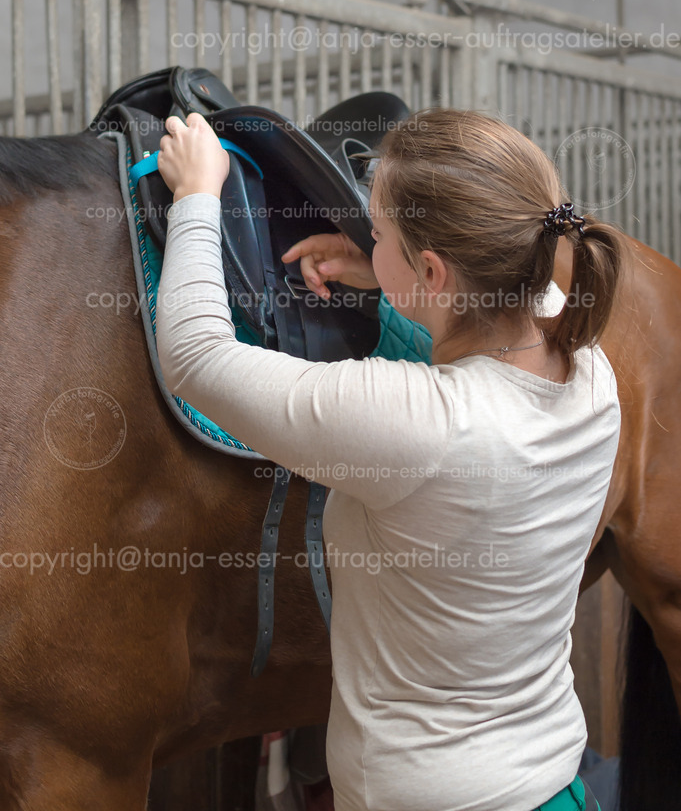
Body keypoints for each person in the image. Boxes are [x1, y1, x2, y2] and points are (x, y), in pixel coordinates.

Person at [155, 107, 622, 811]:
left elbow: (194, 355)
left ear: (433, 272)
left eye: (378, 234)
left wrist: (196, 191)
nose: (366, 241)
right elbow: (509, 296)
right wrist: (389, 280)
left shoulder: (420, 423)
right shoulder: (589, 366)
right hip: (552, 780)